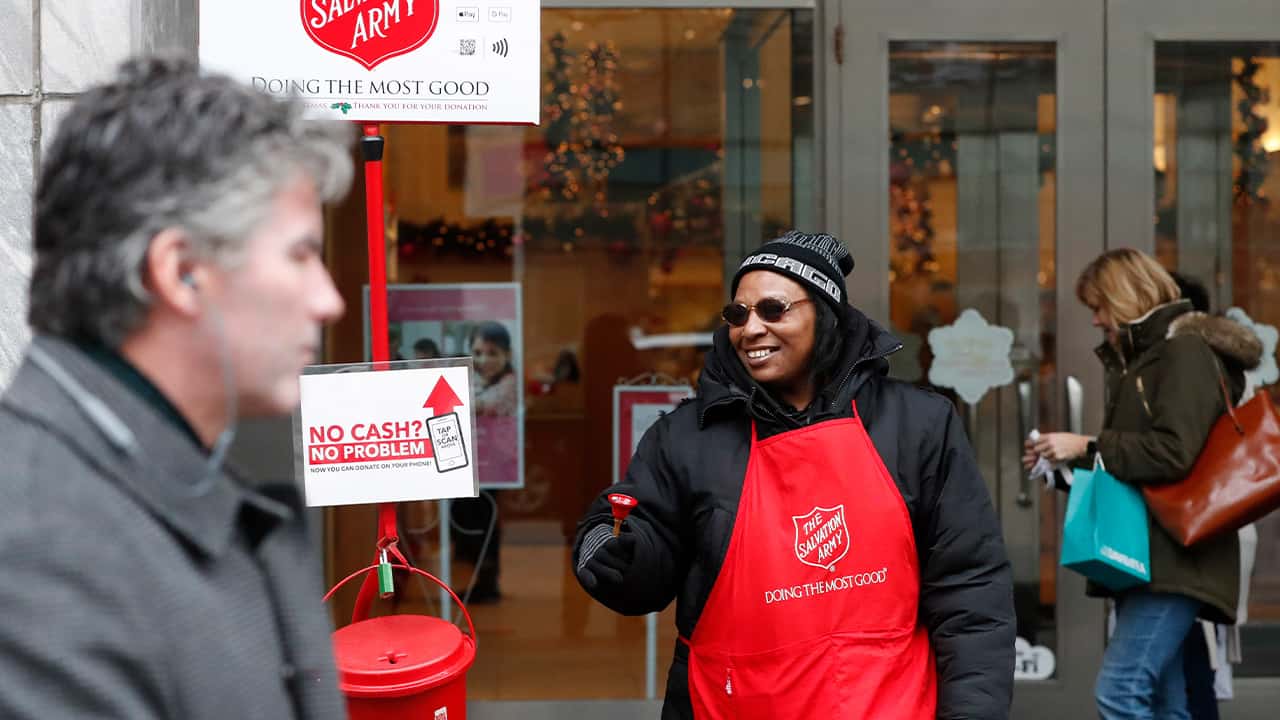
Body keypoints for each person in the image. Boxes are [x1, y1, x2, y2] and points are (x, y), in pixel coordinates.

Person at [0, 57, 351, 718]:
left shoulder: (147, 491)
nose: (328, 300)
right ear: (181, 271)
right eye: (301, 256)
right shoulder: (37, 557)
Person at [574, 230, 1016, 719]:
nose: (750, 329)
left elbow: (969, 589)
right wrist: (612, 551)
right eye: (737, 315)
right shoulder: (687, 436)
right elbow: (643, 553)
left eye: (773, 310)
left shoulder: (919, 426)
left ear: (825, 315)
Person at [1023, 248, 1261, 719]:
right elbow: (1140, 462)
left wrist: (1086, 446)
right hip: (1156, 557)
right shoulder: (1149, 357)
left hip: (1176, 559)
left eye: (1098, 306)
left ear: (1126, 296)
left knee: (1120, 691)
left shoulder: (1183, 352)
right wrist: (1063, 465)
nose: (1095, 321)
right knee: (1165, 703)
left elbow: (1173, 453)